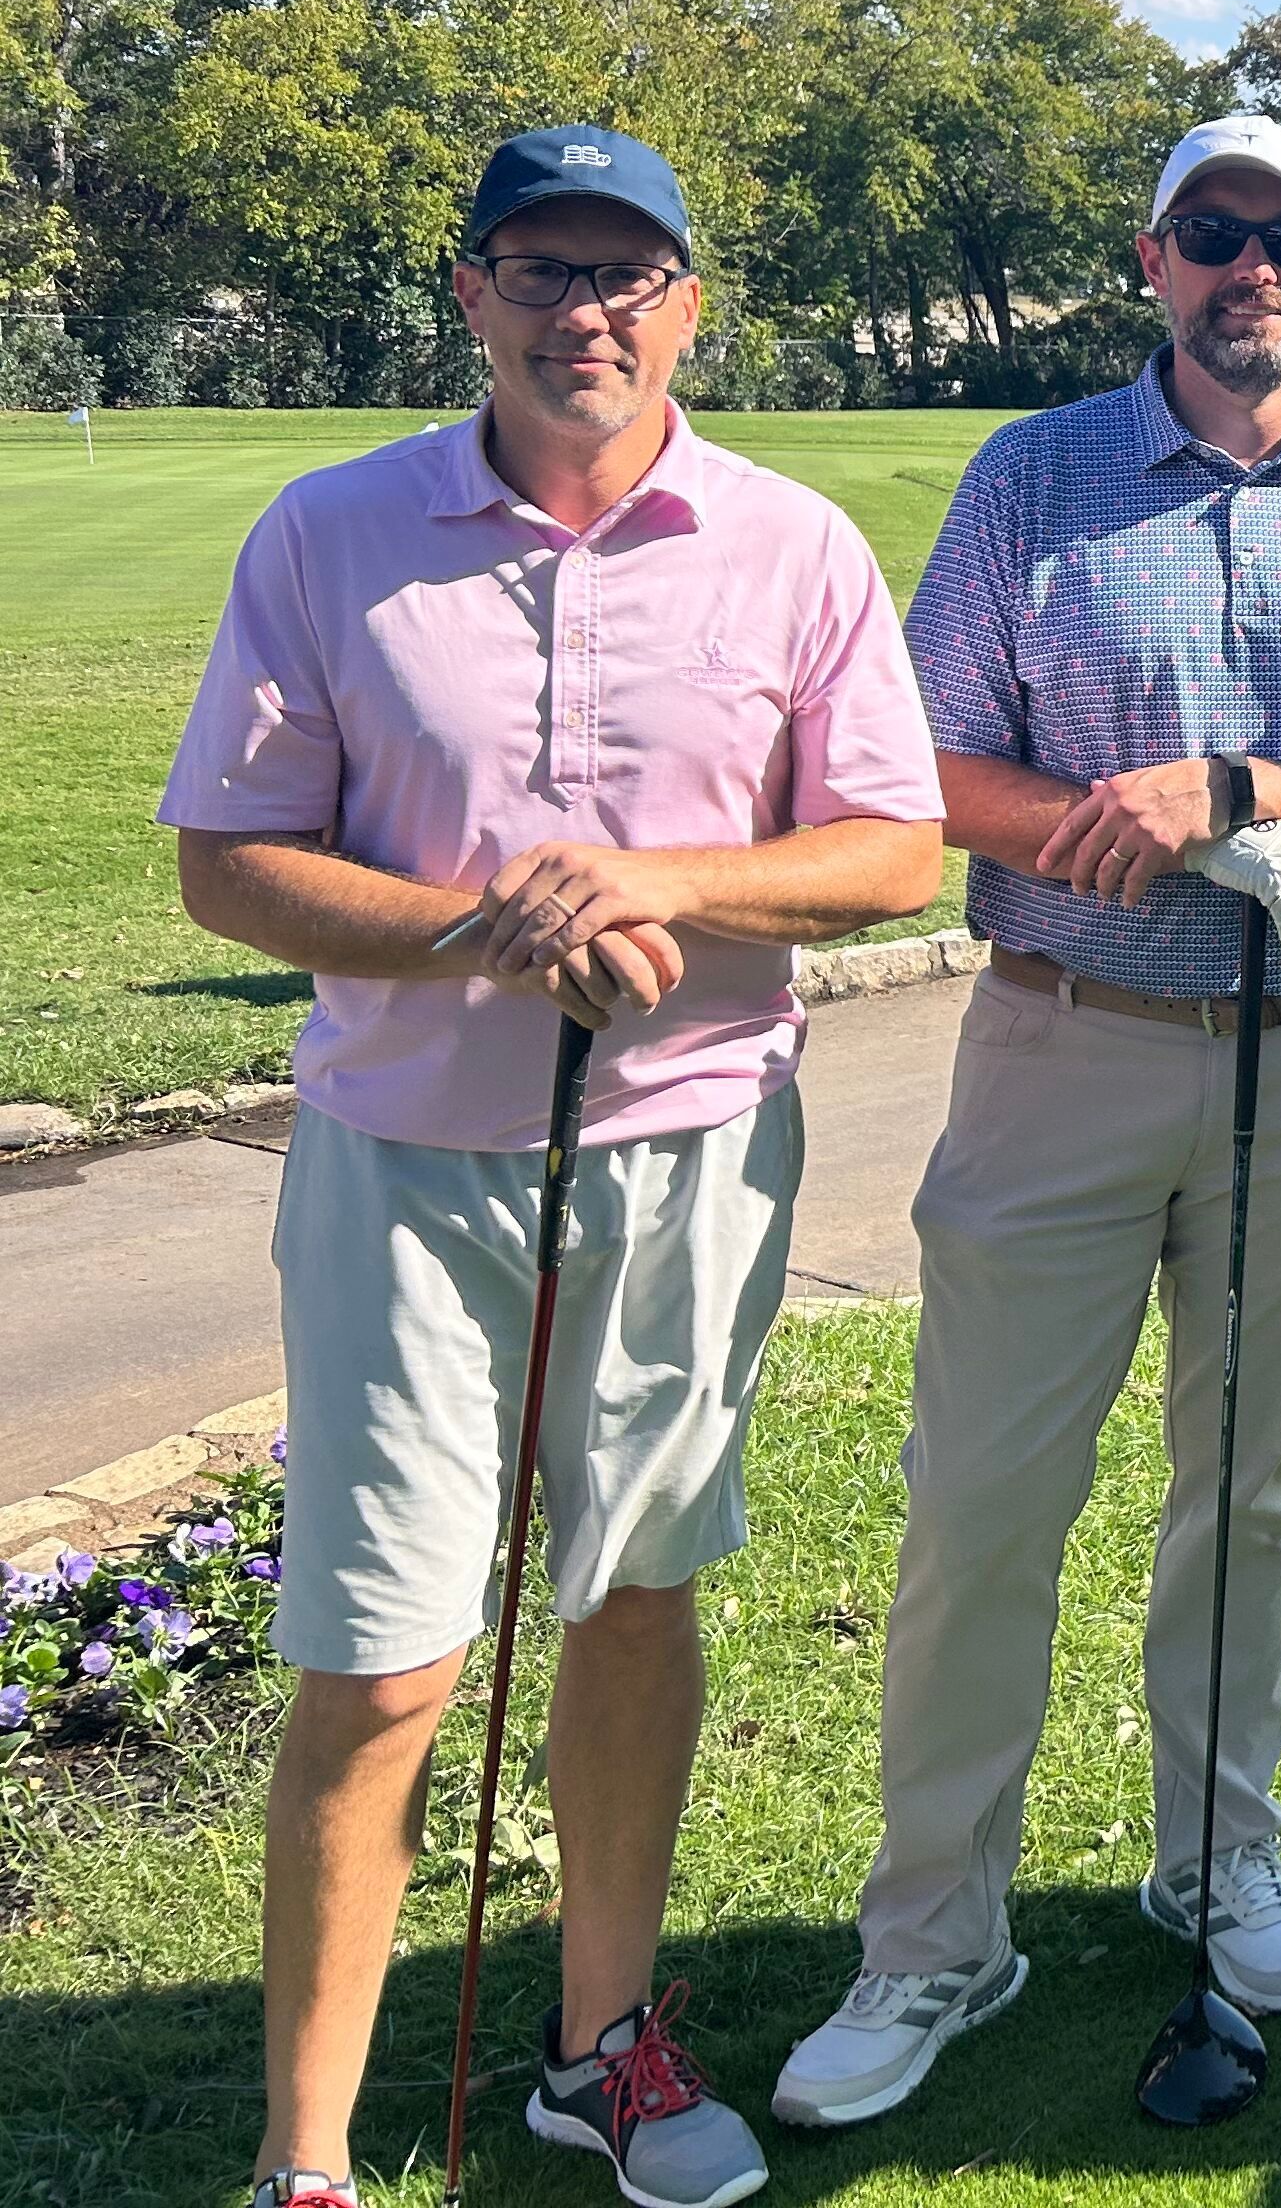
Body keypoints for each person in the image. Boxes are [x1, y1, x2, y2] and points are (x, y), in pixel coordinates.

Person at [162, 125, 947, 2208]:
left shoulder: (793, 545)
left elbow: (891, 850)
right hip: (408, 1165)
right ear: (474, 293)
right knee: (380, 1659)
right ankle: (308, 2158)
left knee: (633, 1600)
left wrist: (656, 881)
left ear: (688, 304)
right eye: (541, 269)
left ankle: (600, 2051)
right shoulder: (333, 532)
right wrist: (478, 926)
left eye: (627, 275)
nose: (584, 310)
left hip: (694, 1149)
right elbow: (227, 861)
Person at [776, 114, 1281, 2130]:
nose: (1250, 266)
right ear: (1154, 260)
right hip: (1067, 1044)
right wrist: (1140, 831)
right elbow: (927, 762)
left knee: (1247, 1485)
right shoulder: (1034, 479)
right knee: (984, 1504)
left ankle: (1217, 1858)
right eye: (1213, 232)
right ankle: (935, 1935)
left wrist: (1260, 796)